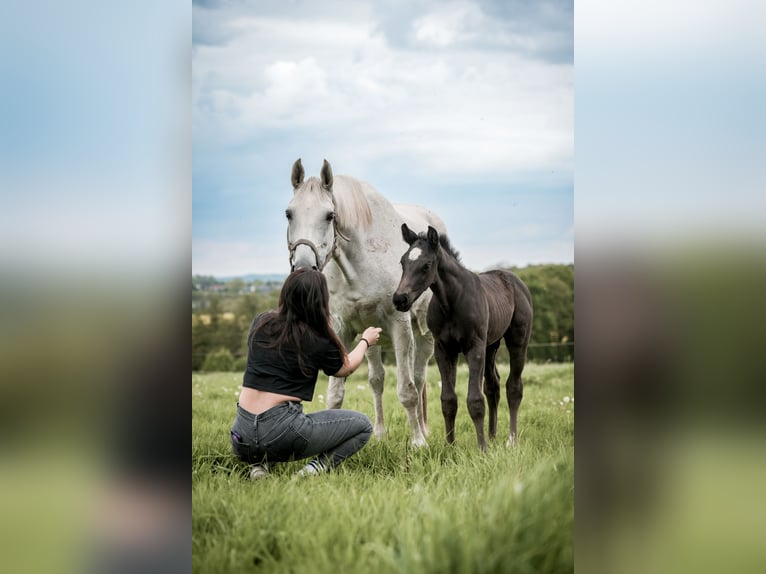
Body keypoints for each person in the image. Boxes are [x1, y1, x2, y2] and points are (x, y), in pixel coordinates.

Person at [230, 268, 382, 479]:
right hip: (281, 430)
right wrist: (365, 341)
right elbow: (345, 368)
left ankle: (259, 466)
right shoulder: (317, 339)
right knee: (363, 426)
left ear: (286, 293)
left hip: (241, 435)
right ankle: (309, 473)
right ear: (320, 300)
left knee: (266, 433)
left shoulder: (261, 322)